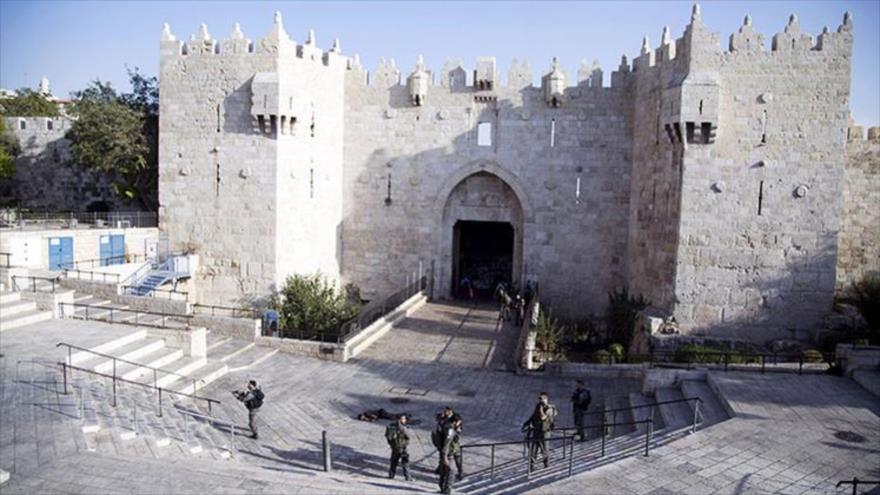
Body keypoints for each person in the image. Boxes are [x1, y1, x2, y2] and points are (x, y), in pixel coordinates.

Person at [522, 392, 556, 470]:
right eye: (539, 399)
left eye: (542, 399)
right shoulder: (538, 406)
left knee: (544, 448)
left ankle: (546, 463)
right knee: (533, 448)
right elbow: (534, 415)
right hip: (536, 430)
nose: (540, 400)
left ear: (546, 399)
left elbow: (542, 417)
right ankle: (532, 465)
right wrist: (527, 422)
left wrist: (541, 408)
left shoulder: (550, 408)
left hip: (545, 432)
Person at [438, 414, 463, 494]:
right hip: (448, 454)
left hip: (443, 453)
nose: (460, 424)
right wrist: (445, 457)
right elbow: (447, 444)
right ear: (455, 422)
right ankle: (447, 490)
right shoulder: (450, 430)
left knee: (444, 471)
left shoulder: (446, 425)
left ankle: (442, 487)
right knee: (452, 471)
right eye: (459, 422)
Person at [385, 414, 412, 481]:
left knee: (394, 462)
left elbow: (388, 438)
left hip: (397, 448)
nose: (404, 420)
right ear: (399, 419)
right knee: (405, 463)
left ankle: (391, 475)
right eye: (403, 419)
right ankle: (407, 477)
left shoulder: (391, 426)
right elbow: (408, 437)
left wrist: (392, 445)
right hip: (402, 448)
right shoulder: (403, 428)